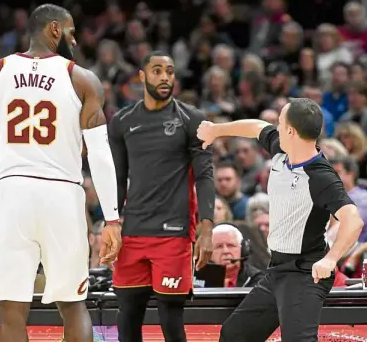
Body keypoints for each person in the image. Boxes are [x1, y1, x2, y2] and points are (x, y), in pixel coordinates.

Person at [0, 4, 120, 342]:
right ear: (55, 30)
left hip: (12, 194)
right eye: (71, 31)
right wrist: (112, 219)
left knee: (11, 311)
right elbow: (101, 155)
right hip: (62, 194)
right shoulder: (82, 79)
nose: (74, 40)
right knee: (73, 304)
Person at [197, 98, 364, 342]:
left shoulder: (321, 177)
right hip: (276, 269)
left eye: (280, 122)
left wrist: (331, 259)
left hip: (306, 273)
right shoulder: (280, 148)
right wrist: (215, 130)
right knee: (234, 334)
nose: (275, 126)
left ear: (291, 131)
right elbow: (256, 127)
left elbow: (353, 219)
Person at [104, 50, 215, 342]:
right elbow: (116, 179)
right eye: (157, 70)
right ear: (142, 76)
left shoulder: (193, 119)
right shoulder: (121, 121)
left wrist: (207, 226)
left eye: (169, 71)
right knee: (127, 312)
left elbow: (204, 175)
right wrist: (111, 223)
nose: (165, 77)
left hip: (174, 233)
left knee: (170, 315)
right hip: (133, 232)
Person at [211, 223, 264, 287]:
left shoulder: (259, 281)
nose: (225, 251)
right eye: (219, 246)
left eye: (231, 245)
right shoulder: (198, 280)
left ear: (243, 250)